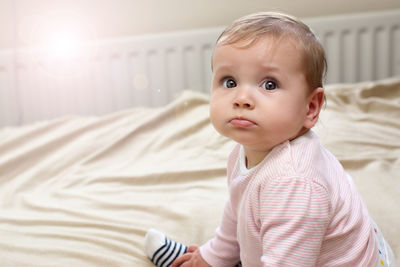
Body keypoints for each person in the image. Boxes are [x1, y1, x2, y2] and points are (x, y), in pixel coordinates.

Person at [144, 12, 396, 267]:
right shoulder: (246, 151)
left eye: (269, 85)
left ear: (310, 108)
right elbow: (238, 211)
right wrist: (211, 256)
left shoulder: (294, 183)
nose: (242, 98)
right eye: (229, 81)